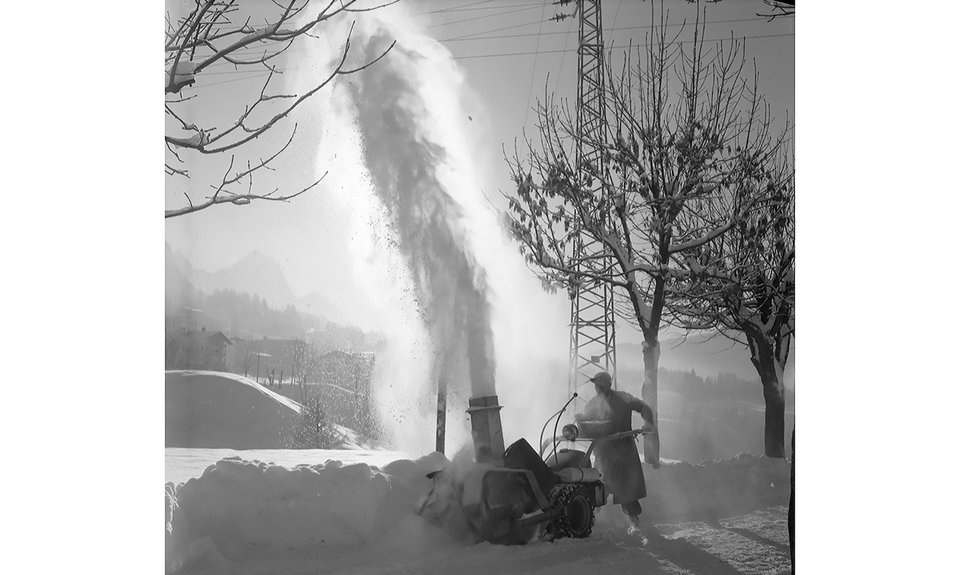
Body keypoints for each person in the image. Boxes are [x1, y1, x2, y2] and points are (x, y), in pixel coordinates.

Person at [575, 371, 657, 543]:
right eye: (597, 385)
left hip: (623, 450)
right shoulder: (593, 403)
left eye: (601, 384)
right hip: (603, 452)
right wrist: (580, 420)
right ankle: (594, 521)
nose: (598, 388)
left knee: (626, 489)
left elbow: (644, 407)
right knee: (597, 486)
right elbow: (586, 424)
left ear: (609, 384)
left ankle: (635, 524)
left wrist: (648, 422)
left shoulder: (623, 398)